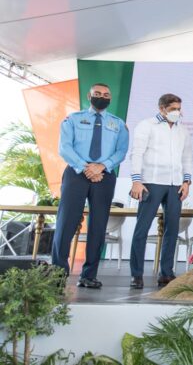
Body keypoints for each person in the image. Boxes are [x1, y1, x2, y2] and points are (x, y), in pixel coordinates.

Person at [52, 83, 129, 289]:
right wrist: (85, 167)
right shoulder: (72, 119)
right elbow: (64, 147)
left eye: (106, 95)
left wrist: (102, 166)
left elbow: (121, 151)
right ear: (89, 96)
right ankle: (58, 274)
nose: (102, 97)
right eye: (97, 94)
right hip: (76, 173)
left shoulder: (118, 124)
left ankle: (89, 275)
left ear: (110, 98)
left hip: (104, 175)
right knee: (66, 222)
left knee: (98, 225)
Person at [129, 94, 192, 289]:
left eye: (179, 108)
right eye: (173, 109)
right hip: (151, 182)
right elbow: (136, 153)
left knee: (172, 230)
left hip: (175, 184)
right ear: (162, 108)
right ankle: (136, 274)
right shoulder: (147, 125)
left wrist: (186, 182)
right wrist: (136, 181)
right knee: (142, 228)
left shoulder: (182, 130)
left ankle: (166, 273)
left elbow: (187, 156)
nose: (177, 112)